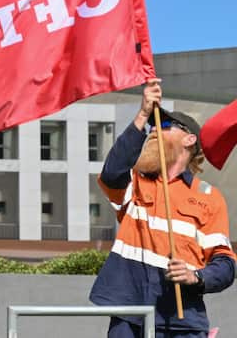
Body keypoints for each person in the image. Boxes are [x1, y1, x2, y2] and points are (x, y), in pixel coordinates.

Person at [89, 78, 235, 338]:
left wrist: (196, 277)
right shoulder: (135, 182)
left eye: (165, 124)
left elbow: (225, 264)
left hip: (182, 322)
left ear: (190, 139)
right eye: (153, 123)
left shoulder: (209, 197)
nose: (155, 128)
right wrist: (143, 113)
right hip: (129, 316)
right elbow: (112, 173)